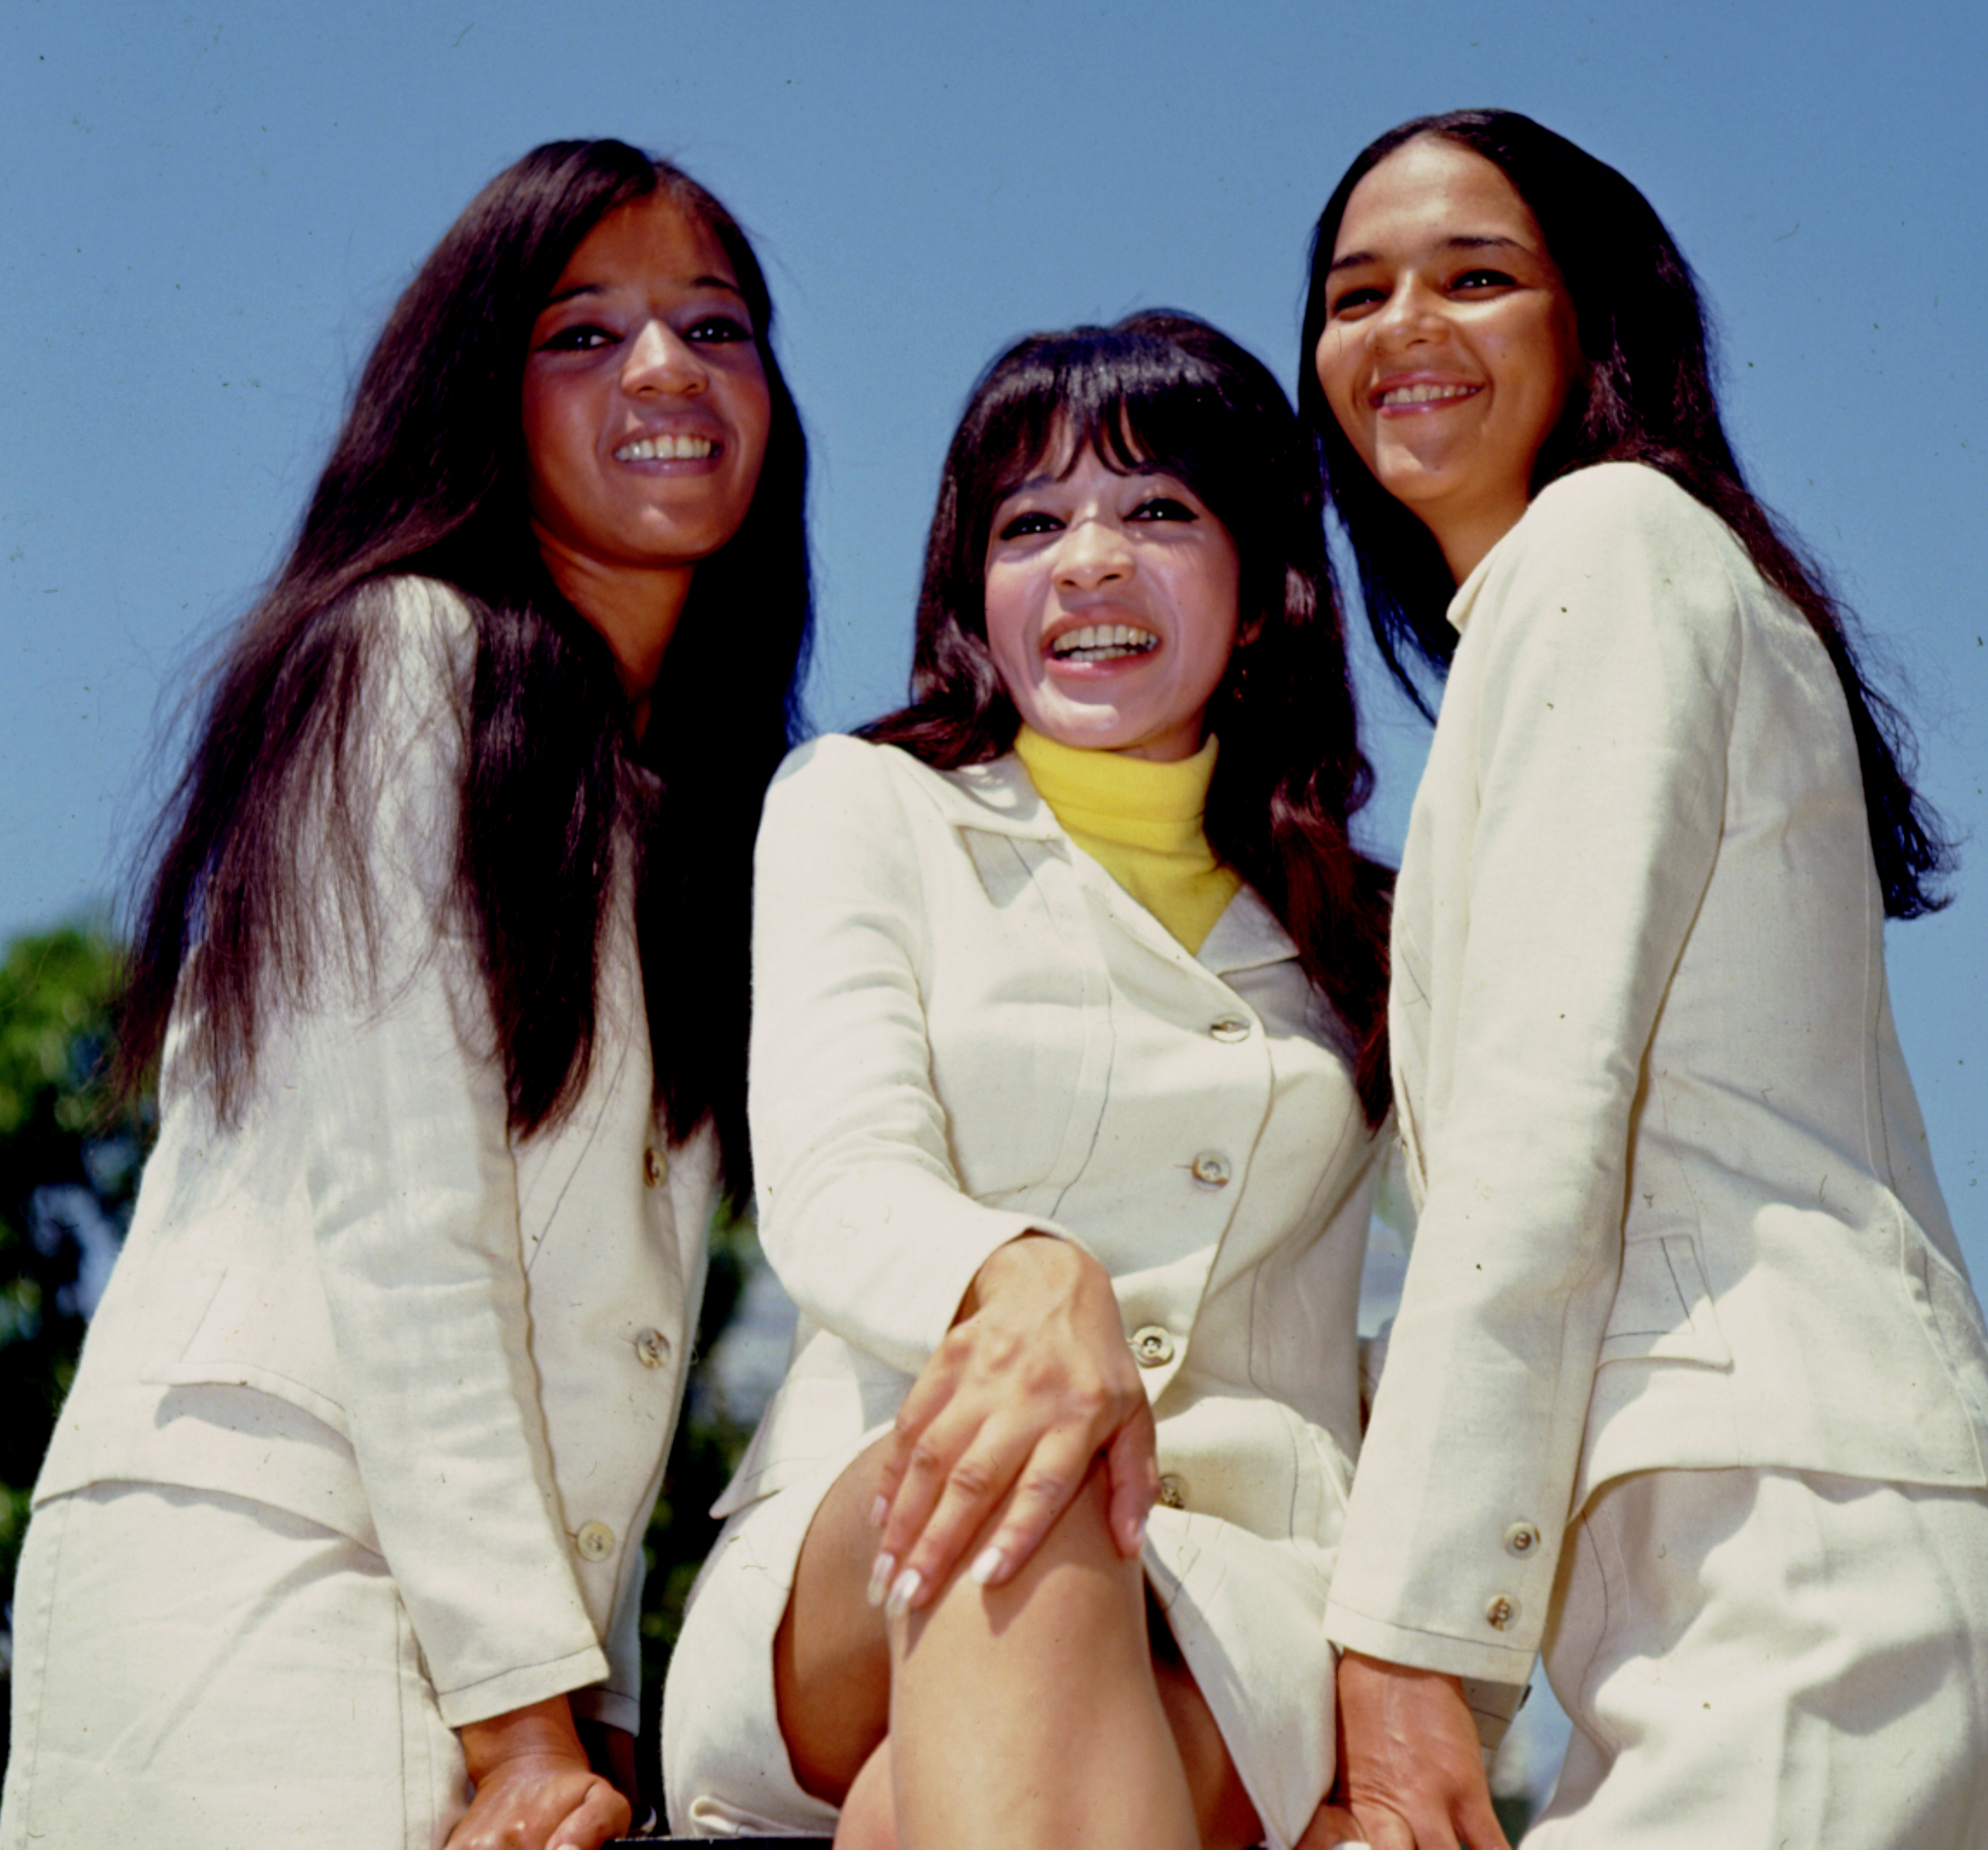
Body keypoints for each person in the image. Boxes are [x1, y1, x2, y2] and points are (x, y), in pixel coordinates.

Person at [1294, 109, 1988, 1850]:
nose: (1402, 326)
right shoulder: (1620, 583)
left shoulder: (1605, 550)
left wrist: (1405, 1639)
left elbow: (1534, 1123)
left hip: (1791, 1573)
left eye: (1475, 276)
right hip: (1813, 1557)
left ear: (1599, 323)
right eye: (1353, 294)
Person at [0, 139, 813, 1850]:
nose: (665, 367)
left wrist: (574, 1708)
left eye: (715, 325)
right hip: (259, 1568)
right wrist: (530, 1728)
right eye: (581, 333)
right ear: (476, 398)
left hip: (492, 1654)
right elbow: (406, 1219)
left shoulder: (699, 808)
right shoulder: (397, 656)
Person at [663, 312, 1394, 1850]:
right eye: (1031, 522)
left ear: (1266, 590)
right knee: (1026, 1450)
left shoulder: (1378, 931)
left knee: (910, 1815)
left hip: (1238, 1592)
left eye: (1158, 513)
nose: (1086, 561)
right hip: (872, 1543)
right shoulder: (867, 807)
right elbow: (835, 1175)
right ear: (973, 587)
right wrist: (1030, 1284)